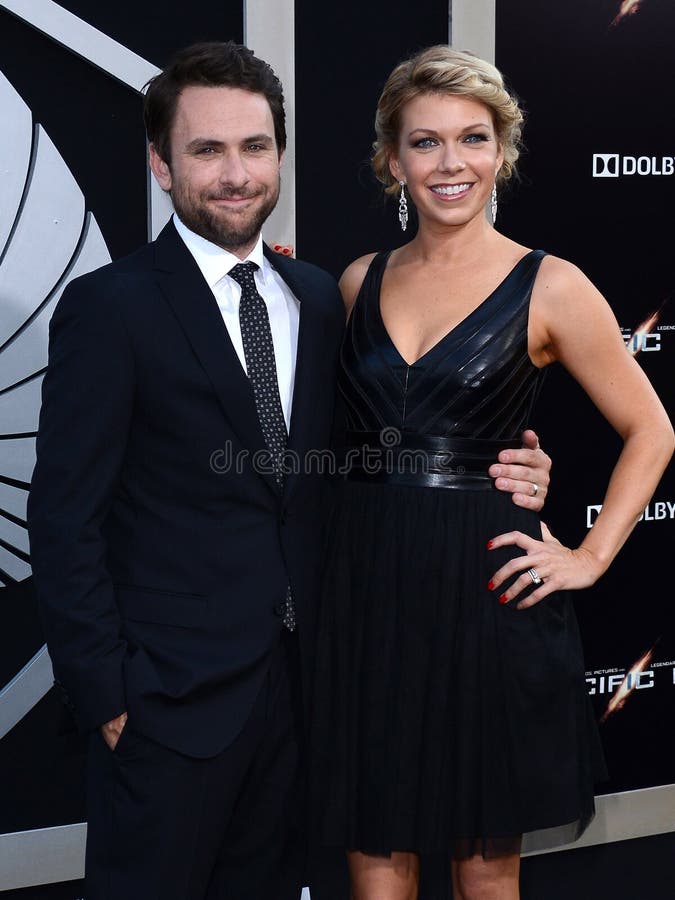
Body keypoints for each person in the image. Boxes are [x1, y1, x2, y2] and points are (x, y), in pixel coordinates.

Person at [27, 40, 552, 900]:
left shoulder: (315, 293)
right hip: (168, 707)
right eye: (206, 150)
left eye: (254, 147)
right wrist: (110, 698)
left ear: (279, 156)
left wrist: (516, 472)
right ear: (162, 164)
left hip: (311, 695)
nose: (235, 174)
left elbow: (375, 447)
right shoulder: (110, 306)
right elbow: (63, 517)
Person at [309, 45, 674, 900]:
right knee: (375, 865)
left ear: (501, 152)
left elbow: (651, 430)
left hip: (484, 594)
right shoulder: (357, 282)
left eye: (471, 139)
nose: (450, 164)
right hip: (364, 592)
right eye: (424, 143)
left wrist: (586, 556)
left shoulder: (552, 286)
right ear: (390, 160)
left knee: (483, 873)